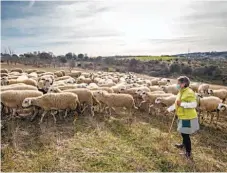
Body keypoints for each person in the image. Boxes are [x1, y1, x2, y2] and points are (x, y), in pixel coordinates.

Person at [167, 76, 199, 159]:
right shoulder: (181, 92)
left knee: (185, 134)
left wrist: (182, 104)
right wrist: (169, 109)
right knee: (183, 132)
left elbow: (194, 104)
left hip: (187, 117)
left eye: (178, 83)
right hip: (182, 115)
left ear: (183, 84)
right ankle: (183, 145)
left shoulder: (189, 92)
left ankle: (188, 153)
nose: (177, 84)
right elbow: (177, 103)